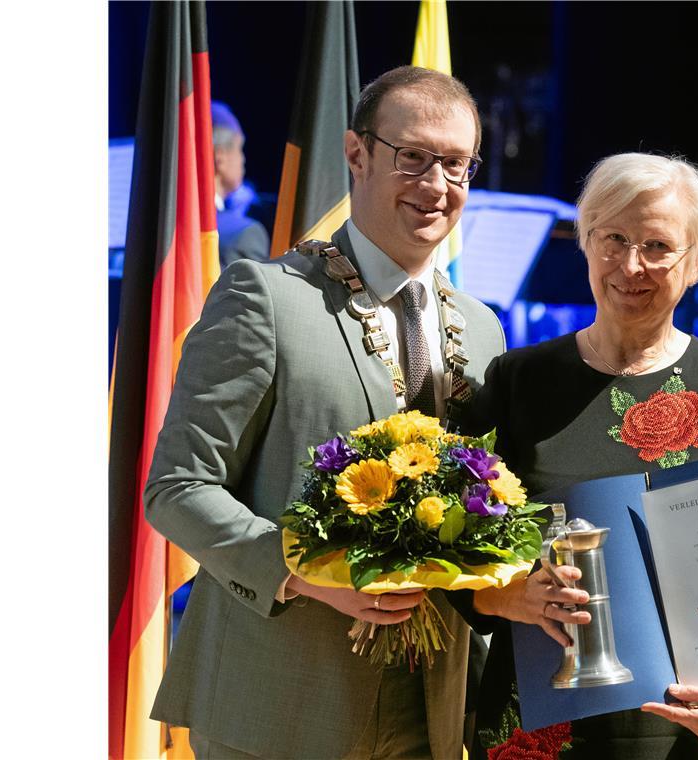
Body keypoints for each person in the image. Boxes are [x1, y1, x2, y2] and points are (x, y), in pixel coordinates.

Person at [145, 66, 505, 759]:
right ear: (356, 152)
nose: (437, 186)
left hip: (433, 711)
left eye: (457, 165)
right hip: (282, 708)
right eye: (414, 158)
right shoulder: (266, 297)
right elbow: (176, 487)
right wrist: (307, 572)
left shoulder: (484, 329)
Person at [454, 153, 698, 759]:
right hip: (540, 727)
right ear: (585, 242)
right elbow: (453, 554)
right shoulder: (516, 381)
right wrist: (504, 595)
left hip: (694, 727)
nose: (632, 266)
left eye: (659, 245)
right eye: (614, 239)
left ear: (696, 263)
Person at [211, 100, 271, 268]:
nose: (242, 159)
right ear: (220, 158)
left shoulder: (158, 229)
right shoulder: (243, 235)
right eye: (239, 148)